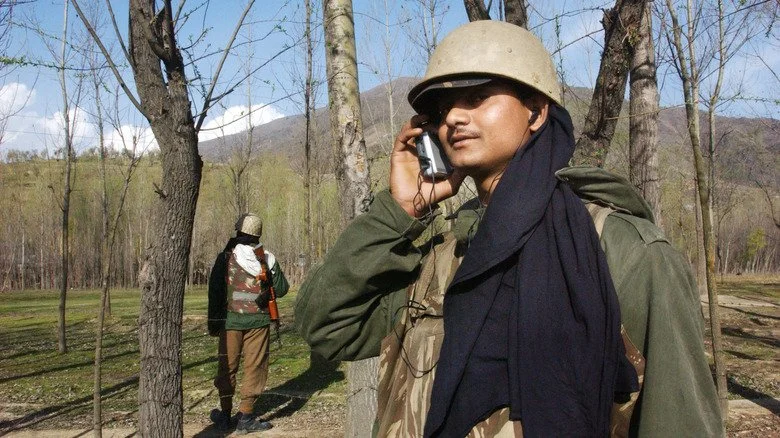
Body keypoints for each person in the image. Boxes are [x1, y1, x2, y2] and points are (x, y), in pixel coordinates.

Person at [296, 20, 724, 438]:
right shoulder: (444, 257)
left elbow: (679, 420)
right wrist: (401, 212)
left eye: (478, 97)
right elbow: (328, 326)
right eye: (443, 108)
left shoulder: (624, 252)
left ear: (536, 111)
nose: (454, 119)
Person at [207, 213, 289, 433]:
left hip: (229, 322)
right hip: (258, 323)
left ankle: (224, 415)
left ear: (239, 232)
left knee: (227, 367)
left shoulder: (225, 258)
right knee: (255, 367)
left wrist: (213, 323)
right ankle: (246, 416)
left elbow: (215, 292)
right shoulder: (267, 258)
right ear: (257, 234)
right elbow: (282, 289)